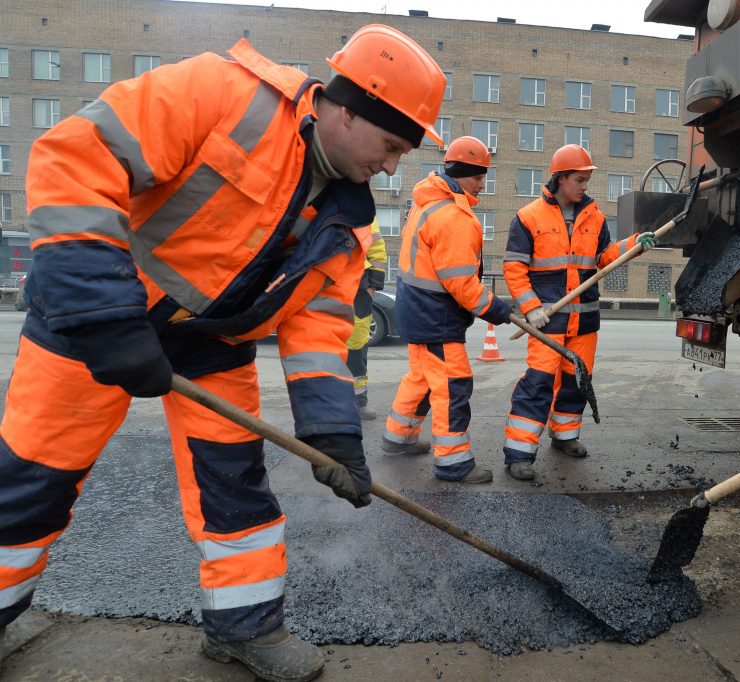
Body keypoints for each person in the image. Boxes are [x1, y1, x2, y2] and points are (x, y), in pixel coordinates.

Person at [0, 24, 446, 682]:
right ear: (348, 109)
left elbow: (317, 332)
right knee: (33, 482)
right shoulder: (221, 94)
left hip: (210, 345)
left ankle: (246, 628)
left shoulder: (349, 224)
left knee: (235, 491)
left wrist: (333, 438)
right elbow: (73, 157)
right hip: (92, 322)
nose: (390, 167)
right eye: (389, 146)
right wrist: (104, 313)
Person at [501, 144, 655, 480]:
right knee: (538, 383)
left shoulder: (595, 218)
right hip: (547, 321)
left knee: (577, 381)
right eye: (579, 179)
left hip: (584, 320)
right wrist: (531, 308)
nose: (585, 186)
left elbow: (605, 258)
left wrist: (634, 244)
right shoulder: (528, 218)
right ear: (560, 179)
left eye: (587, 179)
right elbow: (514, 267)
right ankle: (519, 453)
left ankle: (565, 436)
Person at [383, 136, 511, 483]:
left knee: (421, 379)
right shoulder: (454, 216)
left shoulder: (427, 202)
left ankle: (398, 436)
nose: (482, 183)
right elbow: (461, 284)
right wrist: (498, 310)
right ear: (461, 173)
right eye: (478, 176)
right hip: (435, 318)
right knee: (453, 386)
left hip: (416, 313)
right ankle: (453, 463)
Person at [345, 217, 387, 421]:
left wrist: (372, 287)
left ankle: (359, 403)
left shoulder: (363, 213)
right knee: (323, 351)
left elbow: (377, 249)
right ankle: (329, 406)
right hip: (323, 287)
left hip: (357, 290)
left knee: (357, 345)